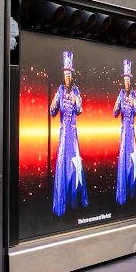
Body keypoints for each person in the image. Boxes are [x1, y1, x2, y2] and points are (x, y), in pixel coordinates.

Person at [49, 51, 87, 216]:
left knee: (75, 165)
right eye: (66, 75)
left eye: (70, 75)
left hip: (74, 135)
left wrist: (74, 101)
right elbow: (52, 111)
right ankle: (63, 201)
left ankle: (75, 199)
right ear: (63, 75)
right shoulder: (60, 90)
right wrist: (55, 99)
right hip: (64, 134)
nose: (68, 78)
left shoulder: (76, 91)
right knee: (64, 165)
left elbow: (80, 110)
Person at [112, 59, 136, 204]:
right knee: (124, 157)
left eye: (128, 80)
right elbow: (114, 112)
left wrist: (132, 103)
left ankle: (134, 189)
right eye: (125, 80)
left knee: (133, 158)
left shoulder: (134, 95)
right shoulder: (120, 94)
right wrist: (117, 105)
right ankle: (123, 191)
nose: (127, 83)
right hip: (124, 130)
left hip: (131, 131)